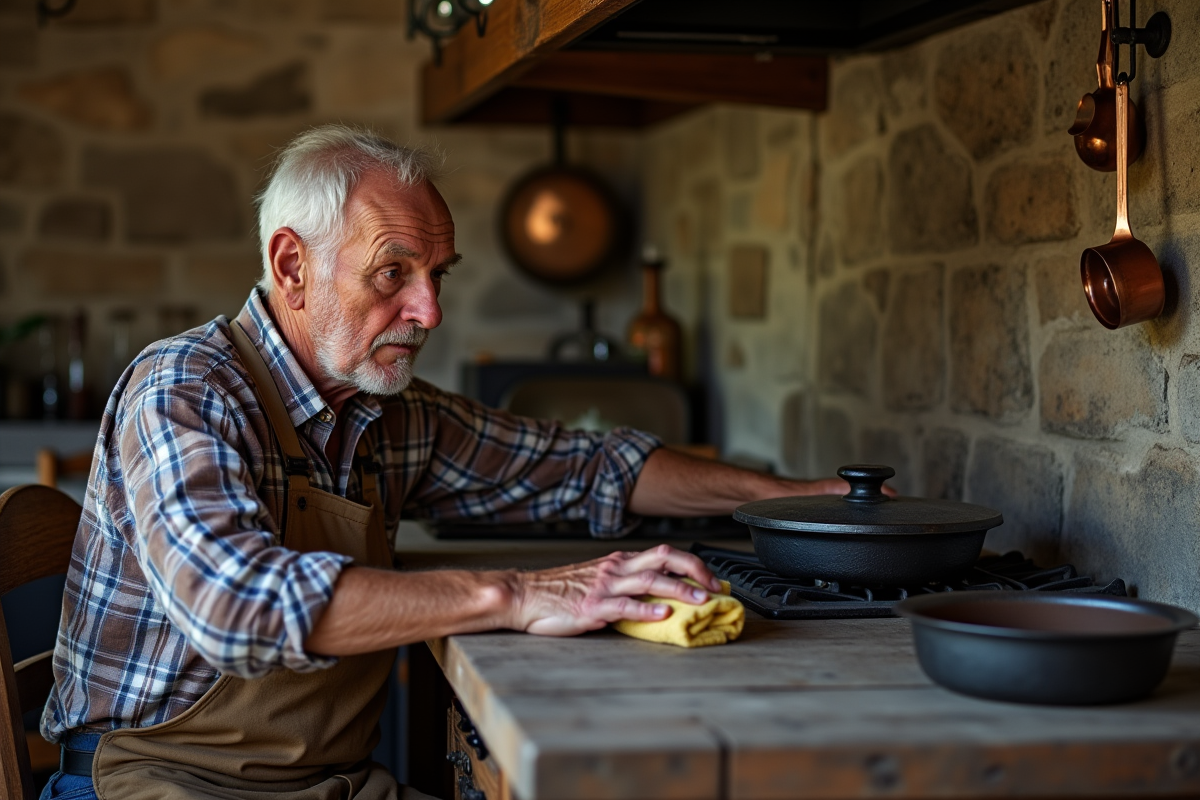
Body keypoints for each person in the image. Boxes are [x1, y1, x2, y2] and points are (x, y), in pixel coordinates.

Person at [38, 126, 848, 800]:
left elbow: (586, 466)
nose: (429, 311)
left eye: (437, 276)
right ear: (291, 267)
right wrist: (517, 595)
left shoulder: (387, 413)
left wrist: (798, 499)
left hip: (325, 785)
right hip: (152, 784)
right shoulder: (188, 387)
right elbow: (236, 605)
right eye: (393, 273)